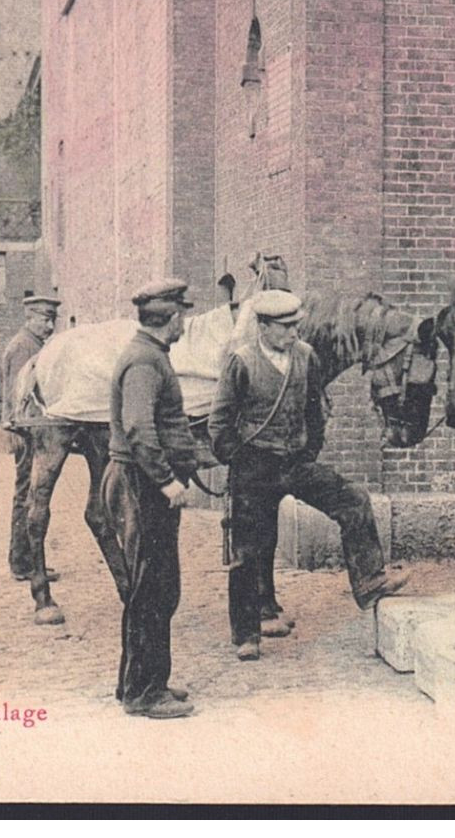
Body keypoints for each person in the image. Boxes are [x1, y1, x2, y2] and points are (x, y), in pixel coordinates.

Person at [209, 289, 410, 662]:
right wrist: (238, 460)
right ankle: (247, 634)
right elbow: (220, 422)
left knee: (353, 500)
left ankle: (369, 580)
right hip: (254, 467)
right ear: (263, 327)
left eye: (295, 326)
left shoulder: (305, 357)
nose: (292, 334)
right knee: (247, 551)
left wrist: (309, 449)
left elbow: (315, 408)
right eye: (284, 328)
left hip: (295, 463)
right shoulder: (242, 361)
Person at [94, 277, 202, 720]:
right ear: (172, 318)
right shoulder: (144, 362)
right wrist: (166, 481)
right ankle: (143, 693)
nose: (185, 323)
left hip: (145, 483)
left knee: (157, 587)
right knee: (150, 590)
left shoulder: (151, 355)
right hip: (142, 485)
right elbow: (139, 428)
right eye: (183, 315)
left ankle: (141, 682)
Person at [2, 293, 60, 583]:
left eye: (52, 320)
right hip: (26, 430)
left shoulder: (34, 344)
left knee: (29, 493)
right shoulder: (23, 347)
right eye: (44, 319)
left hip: (32, 427)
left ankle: (25, 560)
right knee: (27, 493)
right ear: (30, 318)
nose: (49, 326)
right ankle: (23, 562)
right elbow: (20, 395)